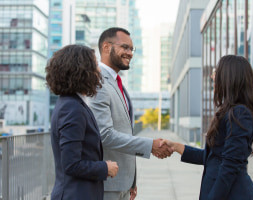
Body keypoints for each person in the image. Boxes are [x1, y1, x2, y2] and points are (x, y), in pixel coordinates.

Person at [161, 55, 253, 200]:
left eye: (216, 71)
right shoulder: (231, 112)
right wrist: (177, 147)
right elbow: (214, 157)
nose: (212, 76)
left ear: (229, 77)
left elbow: (230, 166)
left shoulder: (239, 114)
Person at [87, 27, 172, 200]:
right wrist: (150, 145)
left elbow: (125, 132)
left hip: (123, 184)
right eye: (124, 47)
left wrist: (132, 180)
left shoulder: (117, 83)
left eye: (131, 49)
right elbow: (105, 135)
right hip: (107, 185)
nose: (129, 53)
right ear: (106, 47)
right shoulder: (98, 82)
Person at [46, 44, 119, 200]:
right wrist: (105, 168)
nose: (99, 70)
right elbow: (71, 164)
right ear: (81, 71)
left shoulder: (71, 104)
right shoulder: (72, 109)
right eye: (95, 65)